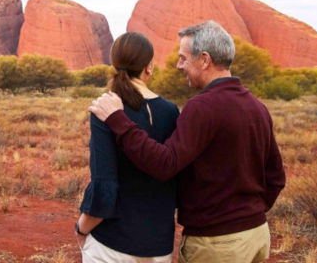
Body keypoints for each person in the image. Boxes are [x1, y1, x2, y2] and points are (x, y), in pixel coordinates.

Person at [89, 21, 286, 263]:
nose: (178, 65)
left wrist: (118, 120)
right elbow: (276, 177)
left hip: (217, 243)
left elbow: (165, 164)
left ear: (204, 60)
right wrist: (247, 214)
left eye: (183, 58)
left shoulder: (202, 107)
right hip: (256, 234)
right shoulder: (257, 107)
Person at [76, 32, 180, 262]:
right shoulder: (171, 111)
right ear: (149, 66)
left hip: (112, 244)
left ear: (115, 64)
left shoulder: (106, 108)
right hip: (158, 245)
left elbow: (104, 183)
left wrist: (81, 228)